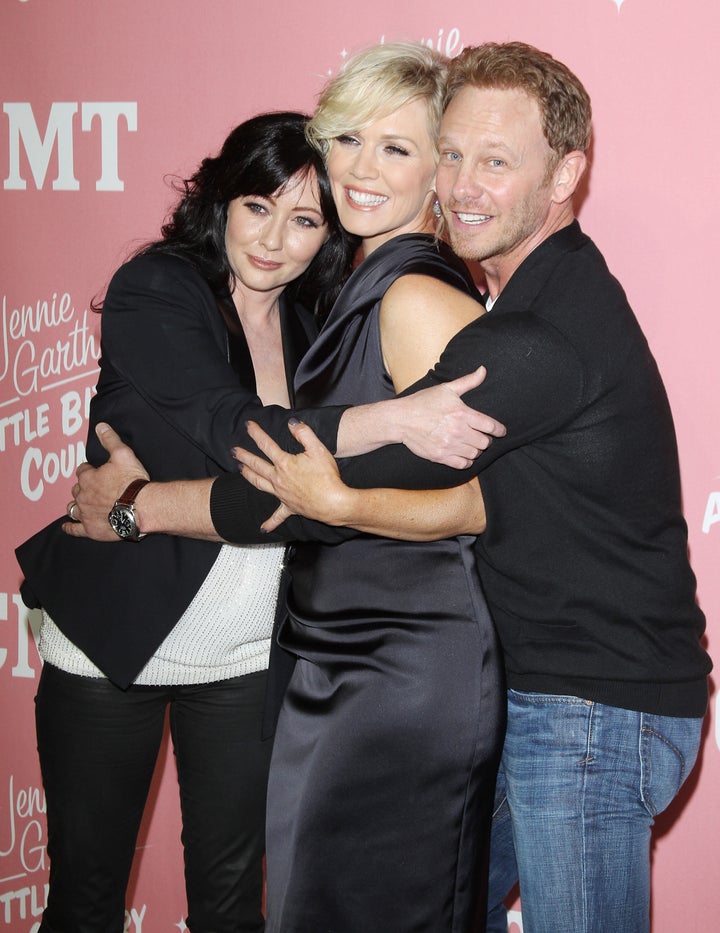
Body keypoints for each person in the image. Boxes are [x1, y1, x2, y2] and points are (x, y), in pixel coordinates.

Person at [65, 41, 711, 933]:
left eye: (492, 160)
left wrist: (135, 508)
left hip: (584, 707)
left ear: (566, 176)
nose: (465, 183)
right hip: (542, 685)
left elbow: (293, 487)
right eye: (452, 153)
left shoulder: (499, 328)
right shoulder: (477, 298)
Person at [55, 43, 508, 933]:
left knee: (232, 906)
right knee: (83, 899)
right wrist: (392, 419)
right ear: (219, 201)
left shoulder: (321, 321)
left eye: (304, 222)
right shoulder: (157, 288)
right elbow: (237, 434)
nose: (273, 239)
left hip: (249, 655)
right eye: (258, 207)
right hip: (115, 637)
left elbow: (286, 493)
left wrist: (140, 507)